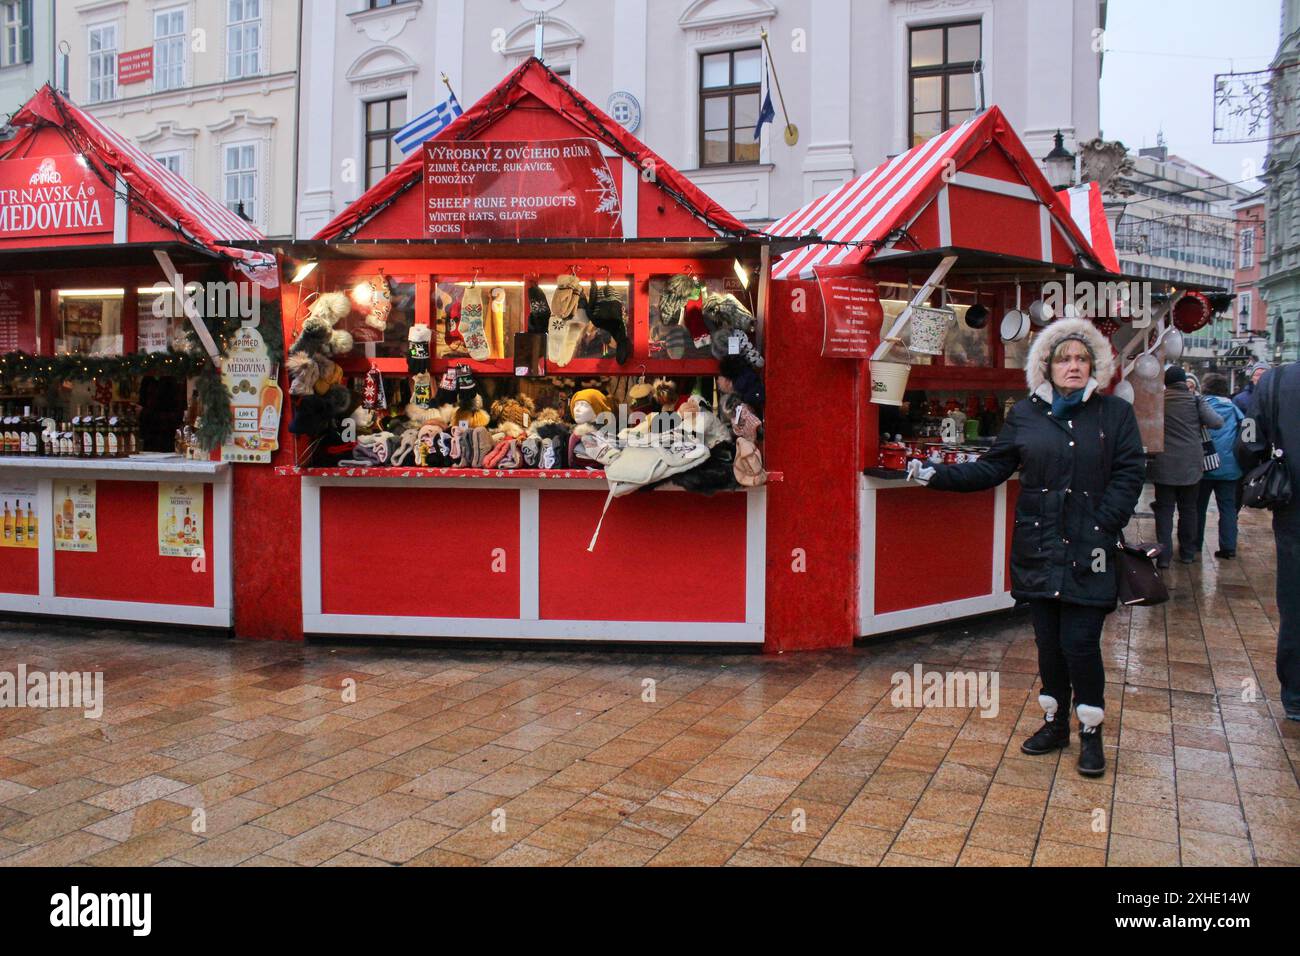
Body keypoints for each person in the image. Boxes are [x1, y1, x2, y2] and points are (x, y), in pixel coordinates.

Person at [906, 319, 1145, 776]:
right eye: (1063, 359)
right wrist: (935, 473)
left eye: (1081, 358)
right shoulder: (1026, 415)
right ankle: (1055, 723)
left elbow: (1129, 474)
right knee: (1049, 644)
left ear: (1094, 364)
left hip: (1090, 549)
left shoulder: (1114, 415)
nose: (1073, 366)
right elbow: (992, 470)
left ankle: (1090, 730)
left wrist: (1102, 523)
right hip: (1038, 547)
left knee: (1080, 643)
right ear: (1047, 367)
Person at [1245, 363, 1300, 721]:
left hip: (1294, 508)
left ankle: (1296, 694)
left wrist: (1259, 467)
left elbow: (1249, 439)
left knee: (1296, 601)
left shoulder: (1278, 381)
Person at [1148, 366, 1222, 567]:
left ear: (1165, 382)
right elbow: (1217, 422)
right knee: (1189, 509)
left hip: (1163, 464)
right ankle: (1188, 553)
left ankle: (1163, 557)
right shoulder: (1195, 400)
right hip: (1191, 465)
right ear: (1183, 382)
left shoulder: (1157, 401)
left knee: (1164, 511)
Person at [1195, 373, 1244, 559]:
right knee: (1228, 508)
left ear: (1206, 387)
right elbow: (1245, 434)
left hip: (1205, 465)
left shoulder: (1201, 405)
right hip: (1230, 468)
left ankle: (1195, 543)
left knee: (1198, 507)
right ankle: (1229, 547)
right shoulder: (1234, 408)